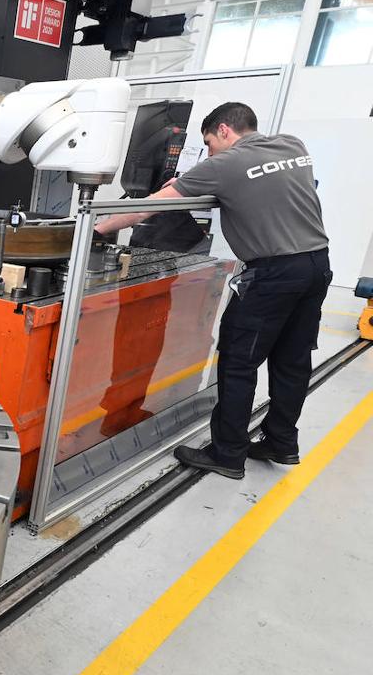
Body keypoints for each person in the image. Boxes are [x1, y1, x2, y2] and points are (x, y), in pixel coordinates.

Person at [94, 102, 330, 480]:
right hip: (317, 266)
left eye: (208, 143)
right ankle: (282, 442)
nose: (208, 152)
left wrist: (95, 229)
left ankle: (228, 454)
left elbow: (146, 209)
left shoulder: (223, 165)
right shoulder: (292, 146)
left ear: (224, 130)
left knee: (238, 362)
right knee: (291, 360)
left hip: (272, 276)